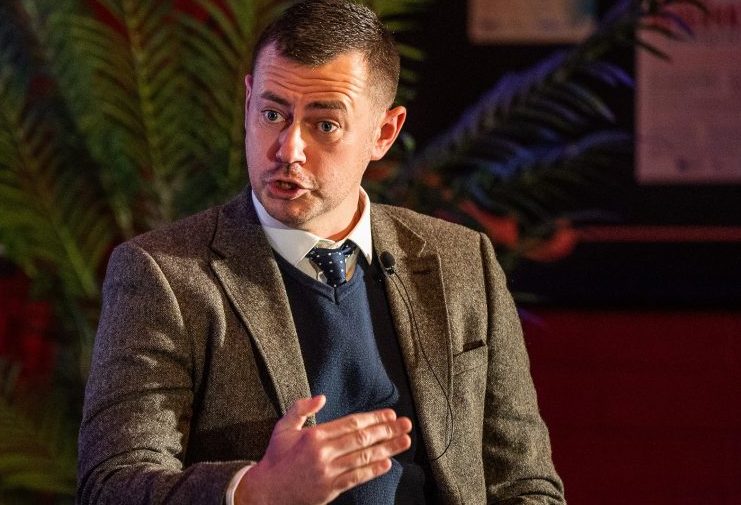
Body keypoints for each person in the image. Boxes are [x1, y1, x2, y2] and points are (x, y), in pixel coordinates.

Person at [77, 1, 565, 504]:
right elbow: (111, 485)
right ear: (248, 102)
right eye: (272, 114)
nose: (288, 150)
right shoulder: (164, 275)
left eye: (324, 125)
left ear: (384, 133)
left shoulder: (462, 261)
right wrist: (255, 492)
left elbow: (524, 485)